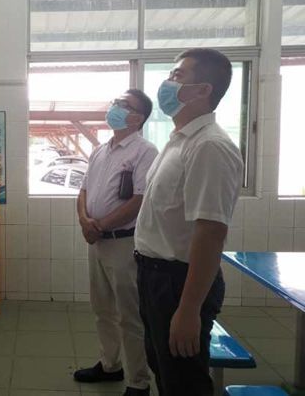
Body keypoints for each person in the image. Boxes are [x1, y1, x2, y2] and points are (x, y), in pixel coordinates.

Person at [134, 48, 244, 396]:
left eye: (177, 75)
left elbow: (210, 232)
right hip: (155, 276)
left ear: (203, 90)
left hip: (178, 282)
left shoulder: (210, 146)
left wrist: (189, 309)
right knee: (164, 370)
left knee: (184, 381)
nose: (167, 82)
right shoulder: (180, 141)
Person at [75, 89, 158, 396]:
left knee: (129, 316)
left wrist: (100, 226)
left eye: (124, 105)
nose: (115, 107)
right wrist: (85, 221)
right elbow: (83, 191)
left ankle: (138, 382)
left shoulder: (145, 151)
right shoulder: (100, 150)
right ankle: (110, 365)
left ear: (137, 118)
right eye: (116, 102)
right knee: (102, 309)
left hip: (124, 244)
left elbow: (139, 200)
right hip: (97, 242)